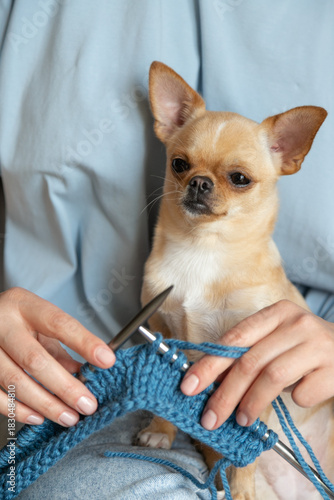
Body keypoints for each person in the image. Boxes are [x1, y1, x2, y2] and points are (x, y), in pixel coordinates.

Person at [0, 1, 333, 498]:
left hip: (310, 421)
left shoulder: (263, 285)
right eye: (183, 167)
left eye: (237, 179)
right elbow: (158, 348)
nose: (200, 185)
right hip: (150, 418)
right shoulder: (160, 276)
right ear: (169, 126)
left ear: (287, 153)